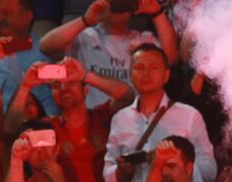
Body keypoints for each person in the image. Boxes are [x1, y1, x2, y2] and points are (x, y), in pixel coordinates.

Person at [102, 43, 214, 182]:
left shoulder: (189, 116)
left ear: (166, 75)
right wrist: (121, 171)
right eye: (139, 68)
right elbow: (108, 177)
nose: (145, 73)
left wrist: (176, 165)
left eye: (153, 68)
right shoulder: (120, 119)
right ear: (130, 74)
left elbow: (209, 168)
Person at [39, 0, 177, 110]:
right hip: (93, 120)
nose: (116, 5)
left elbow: (170, 59)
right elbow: (46, 46)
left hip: (134, 120)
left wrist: (157, 13)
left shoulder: (143, 40)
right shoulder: (85, 37)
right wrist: (85, 20)